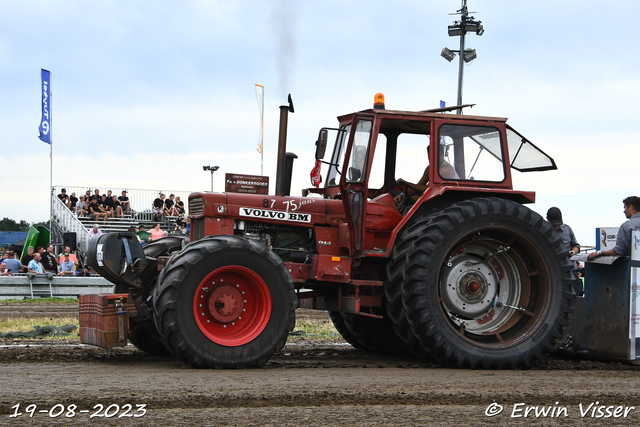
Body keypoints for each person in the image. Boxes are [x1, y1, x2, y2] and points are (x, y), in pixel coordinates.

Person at [588, 196, 640, 261]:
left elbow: (619, 251)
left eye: (625, 208)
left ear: (631, 207)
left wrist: (599, 252)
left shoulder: (627, 226)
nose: (624, 211)